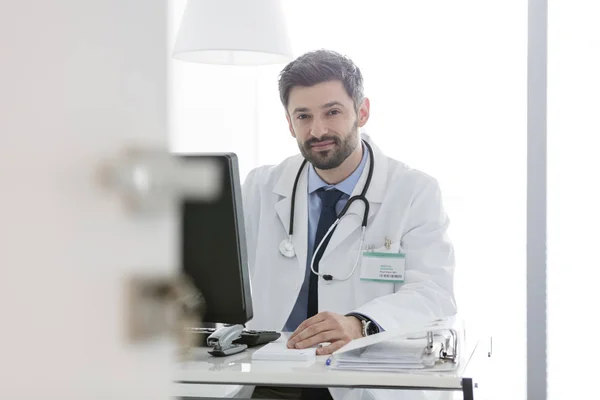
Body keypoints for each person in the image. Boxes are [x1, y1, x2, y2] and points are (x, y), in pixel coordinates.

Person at [242, 49, 456, 400]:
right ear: (289, 122)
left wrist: (359, 323)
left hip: (361, 376)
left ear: (363, 111)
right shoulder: (260, 187)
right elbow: (217, 274)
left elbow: (434, 292)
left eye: (333, 112)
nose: (318, 130)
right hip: (273, 376)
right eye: (303, 116)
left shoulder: (414, 191)